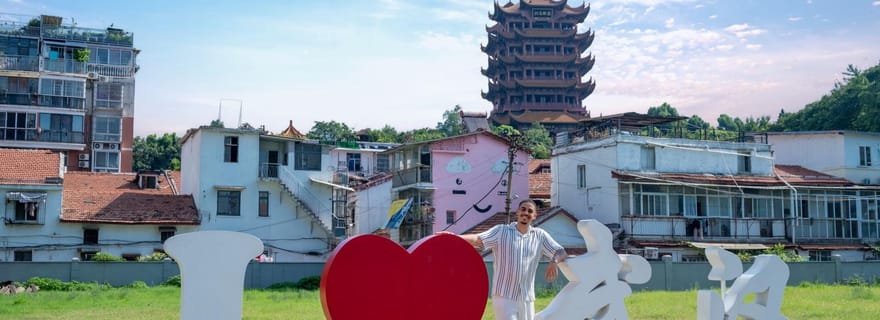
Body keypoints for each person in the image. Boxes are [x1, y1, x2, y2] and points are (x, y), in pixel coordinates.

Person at [448, 199, 567, 320]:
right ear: (517, 212)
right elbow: (478, 239)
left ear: (534, 216)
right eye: (523, 209)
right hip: (504, 296)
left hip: (527, 297)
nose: (526, 213)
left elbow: (561, 251)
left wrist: (554, 262)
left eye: (530, 211)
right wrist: (454, 237)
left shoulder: (540, 236)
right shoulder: (501, 231)